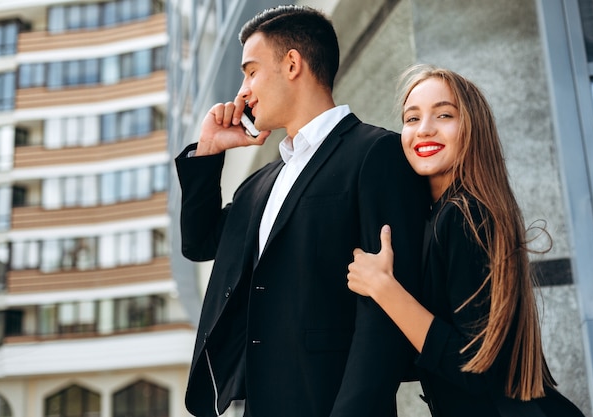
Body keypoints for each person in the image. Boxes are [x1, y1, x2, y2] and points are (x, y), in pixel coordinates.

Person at [174, 5, 429, 417]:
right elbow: (201, 243)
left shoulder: (374, 153)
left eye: (251, 71)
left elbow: (384, 311)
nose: (242, 91)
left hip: (327, 404)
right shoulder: (259, 183)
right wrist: (208, 150)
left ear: (292, 63)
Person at [347, 64, 586, 417]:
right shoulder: (446, 214)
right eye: (411, 119)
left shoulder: (464, 214)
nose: (424, 129)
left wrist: (384, 288)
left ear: (473, 129)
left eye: (444, 115)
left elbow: (475, 365)